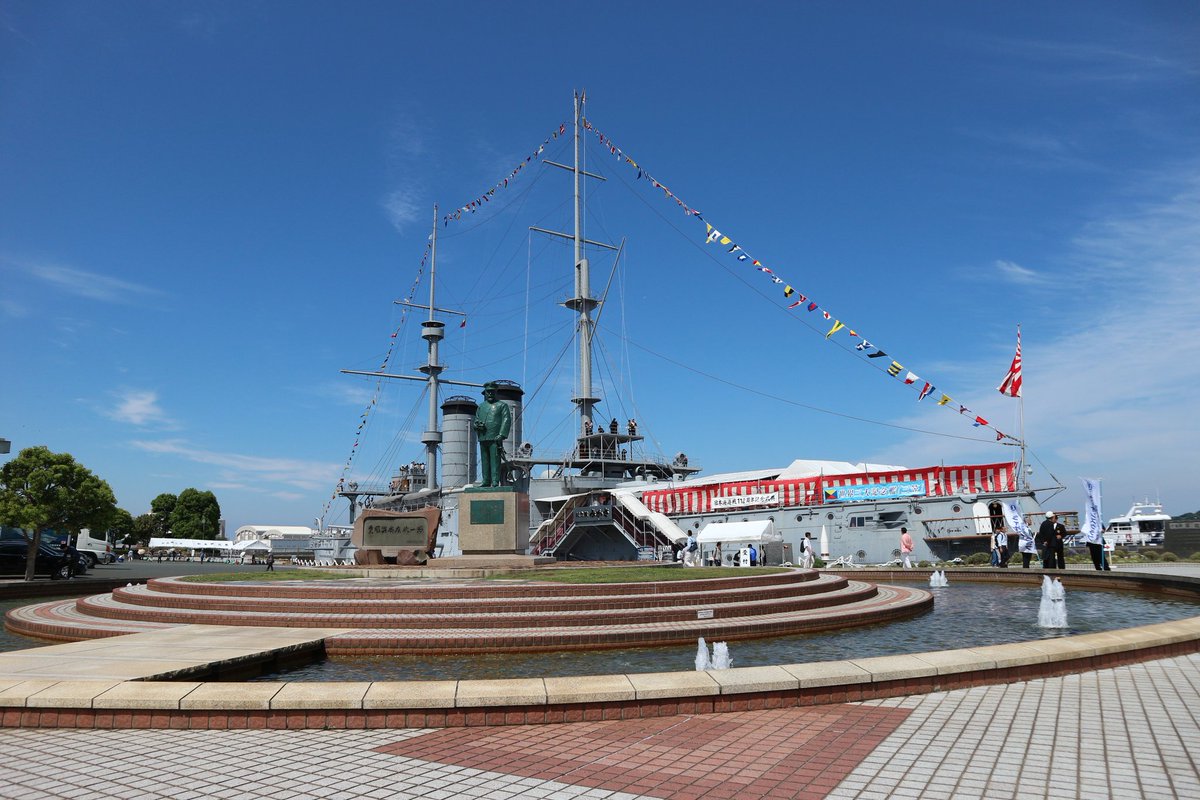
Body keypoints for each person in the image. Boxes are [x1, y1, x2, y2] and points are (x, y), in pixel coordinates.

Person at [473, 382, 513, 487]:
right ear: (485, 393)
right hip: (483, 437)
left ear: (496, 392)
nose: (490, 394)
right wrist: (476, 426)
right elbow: (476, 420)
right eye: (488, 392)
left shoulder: (502, 405)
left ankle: (495, 481)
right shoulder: (481, 406)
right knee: (485, 460)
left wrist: (501, 434)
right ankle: (486, 480)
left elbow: (506, 420)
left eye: (492, 392)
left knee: (495, 461)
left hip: (495, 438)